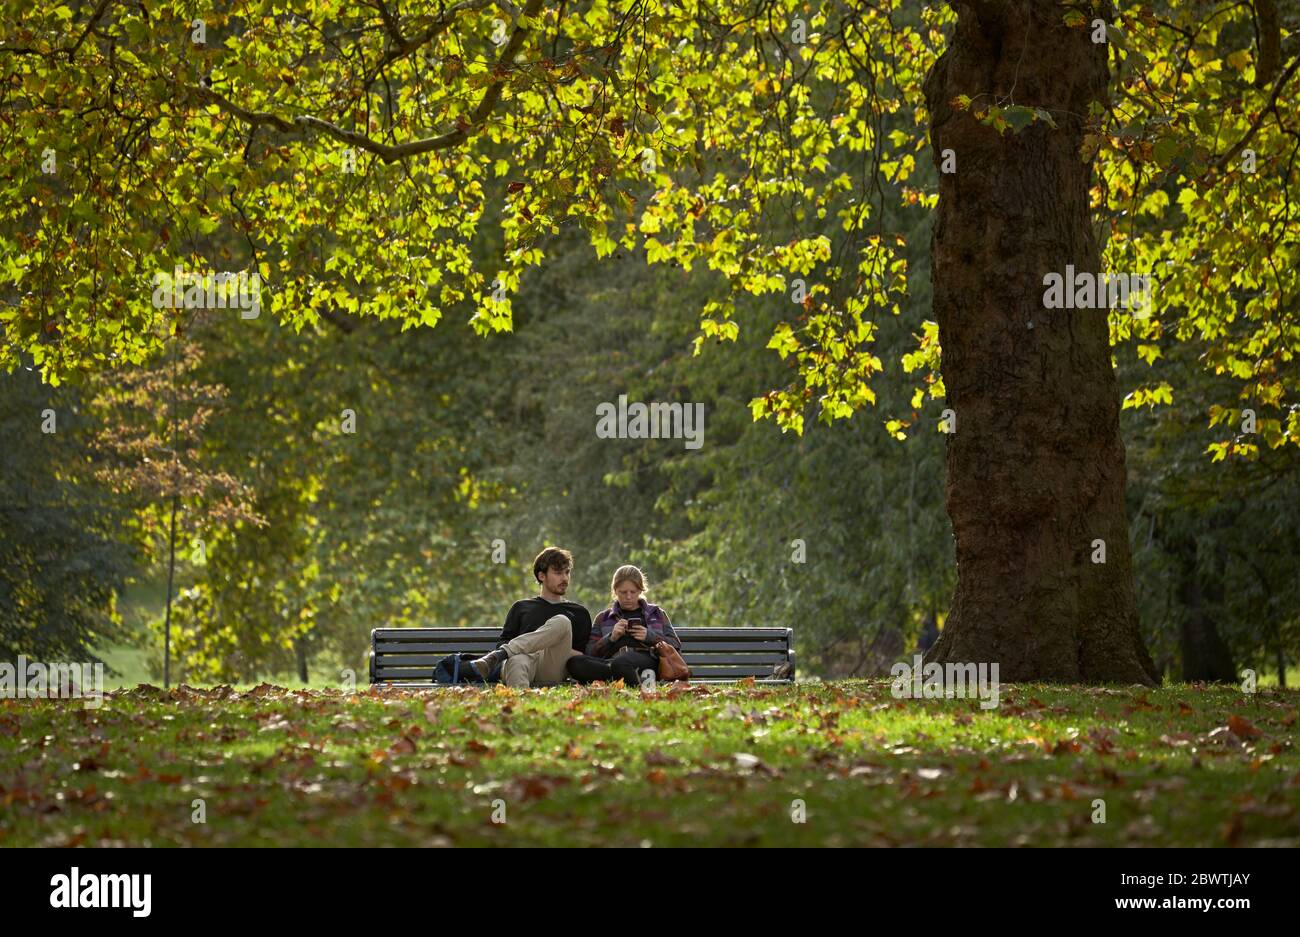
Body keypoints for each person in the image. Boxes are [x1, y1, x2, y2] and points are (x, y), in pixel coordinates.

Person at [469, 547, 592, 688]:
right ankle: (520, 707)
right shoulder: (521, 607)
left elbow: (581, 653)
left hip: (552, 666)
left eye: (567, 572)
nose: (564, 578)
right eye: (558, 573)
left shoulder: (579, 612)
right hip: (522, 662)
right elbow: (503, 641)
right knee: (516, 661)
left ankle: (498, 655)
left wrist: (543, 646)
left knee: (562, 621)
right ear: (541, 576)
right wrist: (528, 650)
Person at [566, 565, 681, 687]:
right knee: (575, 663)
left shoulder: (657, 614)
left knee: (621, 663)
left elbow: (676, 645)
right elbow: (590, 652)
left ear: (641, 591)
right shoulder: (603, 618)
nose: (629, 597)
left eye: (633, 592)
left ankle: (624, 681)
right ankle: (628, 679)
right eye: (623, 592)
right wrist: (611, 638)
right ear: (615, 591)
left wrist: (650, 636)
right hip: (612, 663)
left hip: (649, 661)